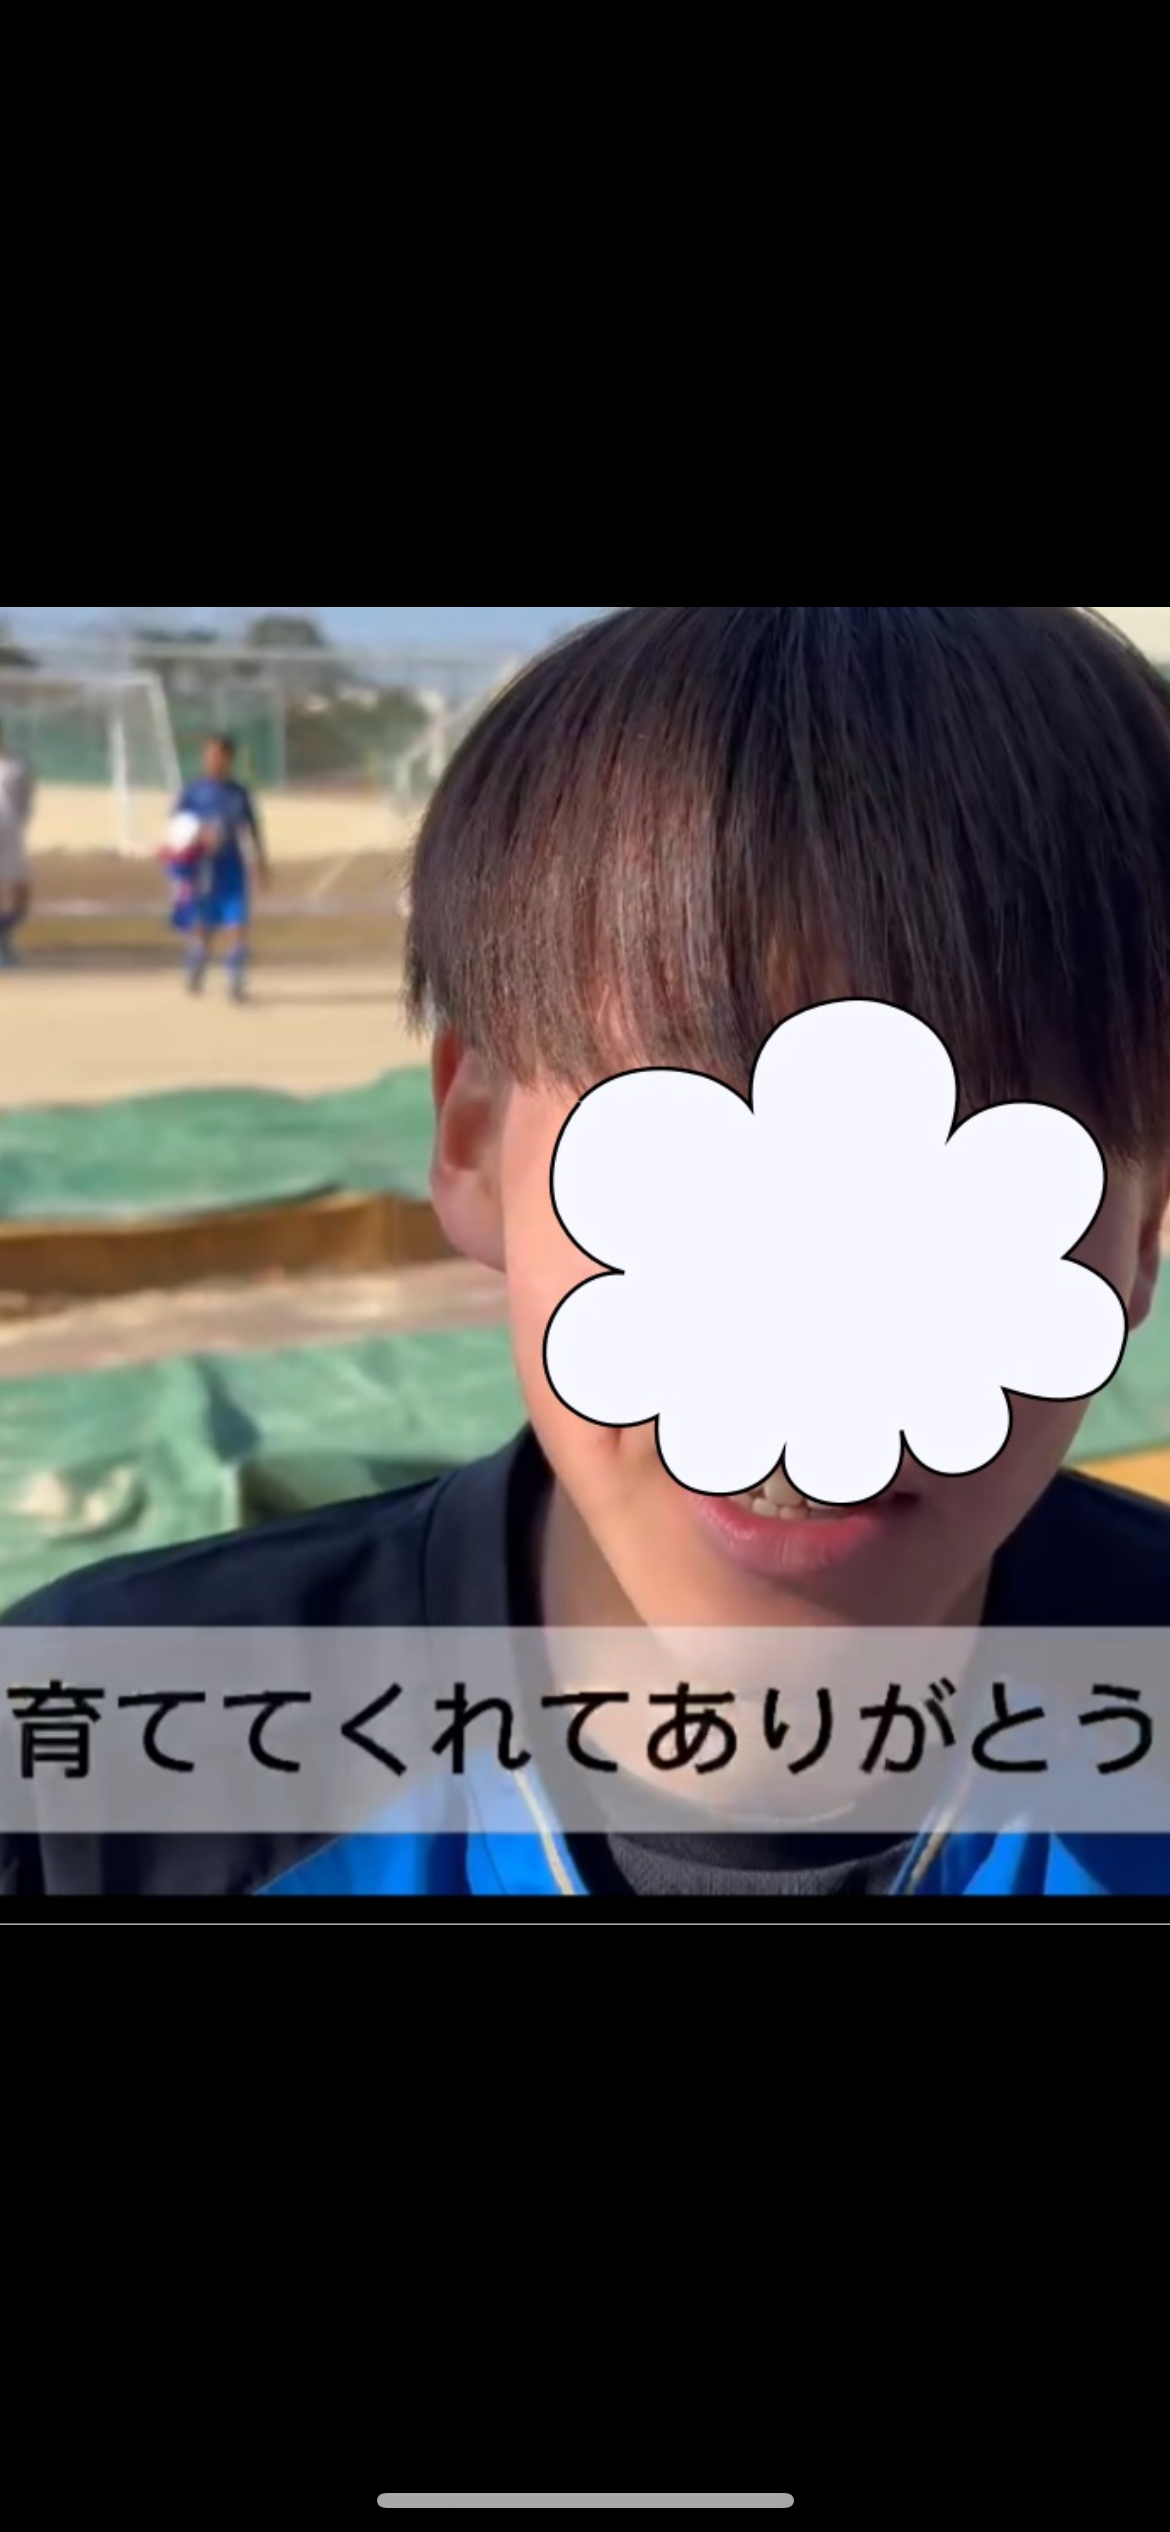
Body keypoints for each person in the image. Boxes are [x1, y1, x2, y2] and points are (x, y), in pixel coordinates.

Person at [7, 605, 1170, 1903]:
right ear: (474, 1136)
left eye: (969, 1168)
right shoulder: (87, 1766)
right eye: (695, 1138)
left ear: (1140, 1228)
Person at [171, 733, 269, 1001]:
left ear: (228, 759)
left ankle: (236, 979)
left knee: (236, 922)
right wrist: (198, 835)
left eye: (218, 756)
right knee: (203, 925)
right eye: (208, 755)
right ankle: (197, 962)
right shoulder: (193, 792)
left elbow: (252, 829)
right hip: (202, 868)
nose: (212, 761)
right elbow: (177, 826)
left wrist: (261, 863)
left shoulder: (239, 793)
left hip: (231, 867)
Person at [0, 722, 36, 970]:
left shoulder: (18, 767)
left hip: (10, 831)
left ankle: (4, 935)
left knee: (20, 889)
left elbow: (25, 802)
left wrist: (16, 824)